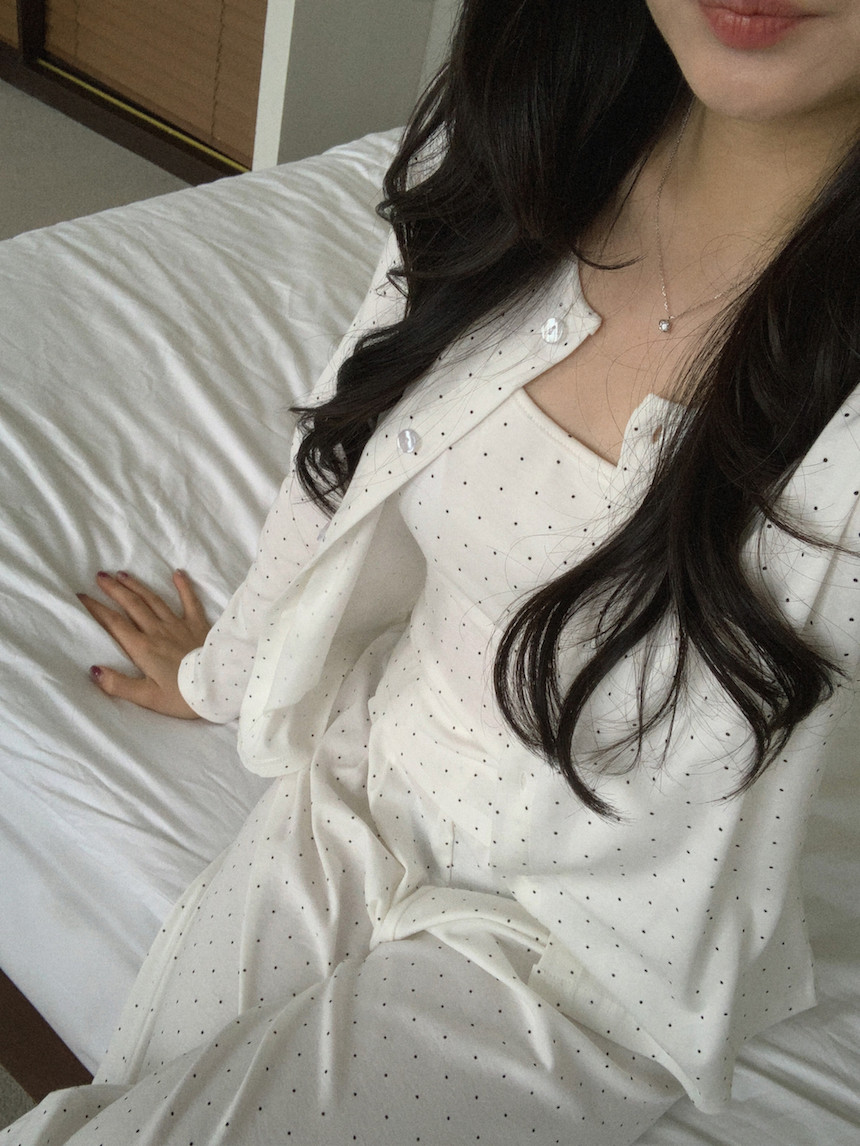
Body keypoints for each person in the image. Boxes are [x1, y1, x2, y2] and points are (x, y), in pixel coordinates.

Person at [7, 1, 860, 1142]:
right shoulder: (522, 154)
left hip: (591, 956)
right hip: (366, 777)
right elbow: (347, 450)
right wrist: (228, 674)